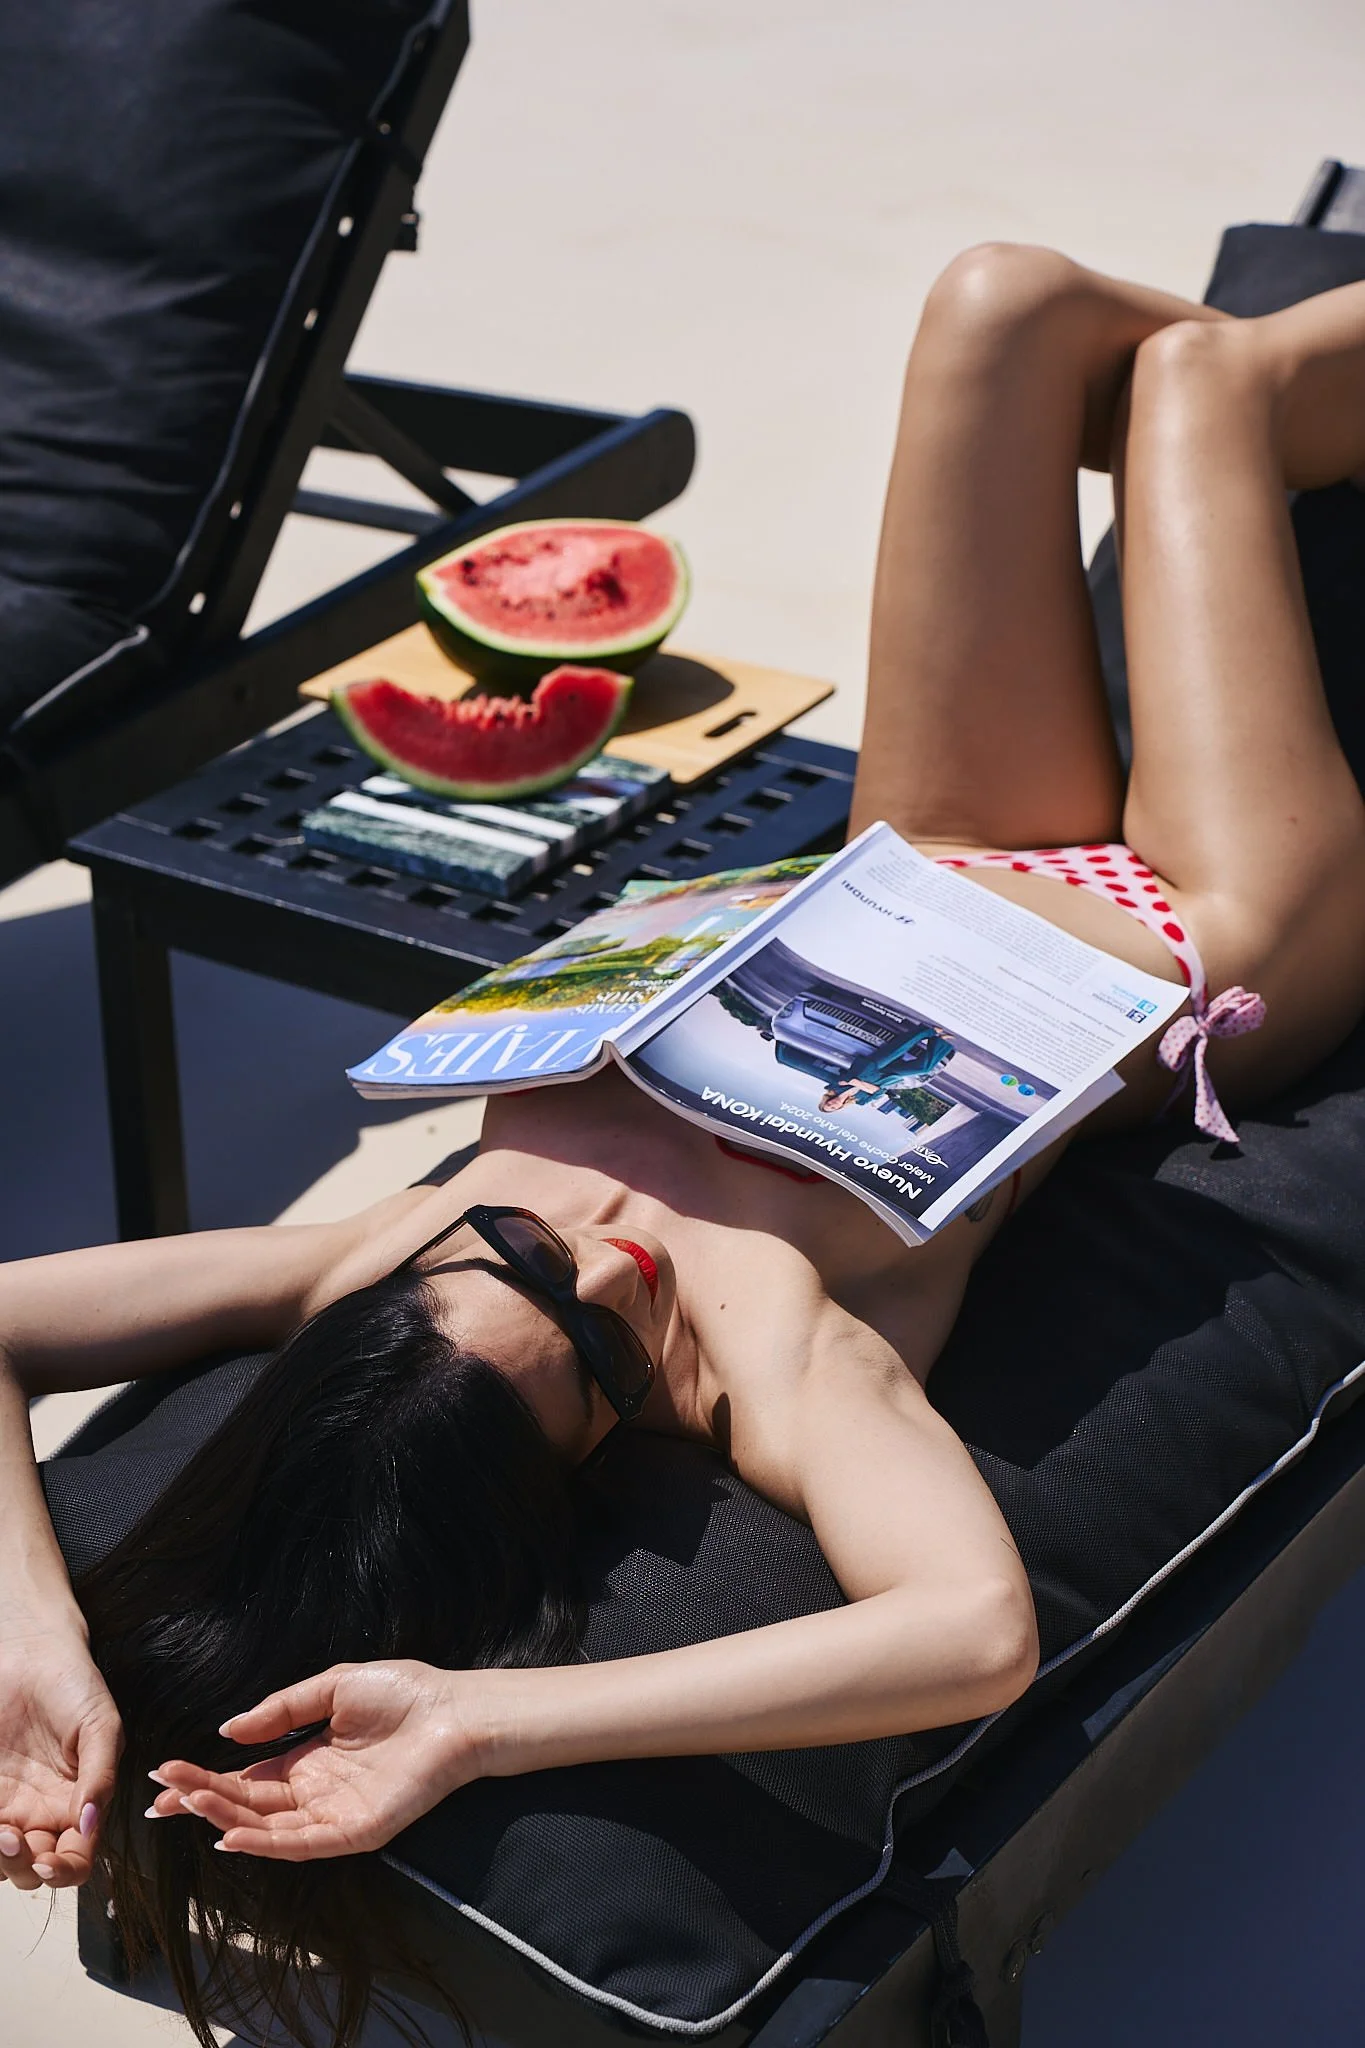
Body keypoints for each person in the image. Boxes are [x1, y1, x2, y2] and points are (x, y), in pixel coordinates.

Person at [6, 245, 1365, 2044]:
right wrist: (476, 1719)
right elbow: (971, 1631)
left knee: (1002, 305)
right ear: (585, 1473)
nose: (607, 1255)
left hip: (932, 850)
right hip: (1209, 933)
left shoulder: (365, 1256)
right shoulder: (776, 1351)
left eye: (507, 1258)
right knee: (1209, 397)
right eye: (593, 1352)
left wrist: (33, 1634)